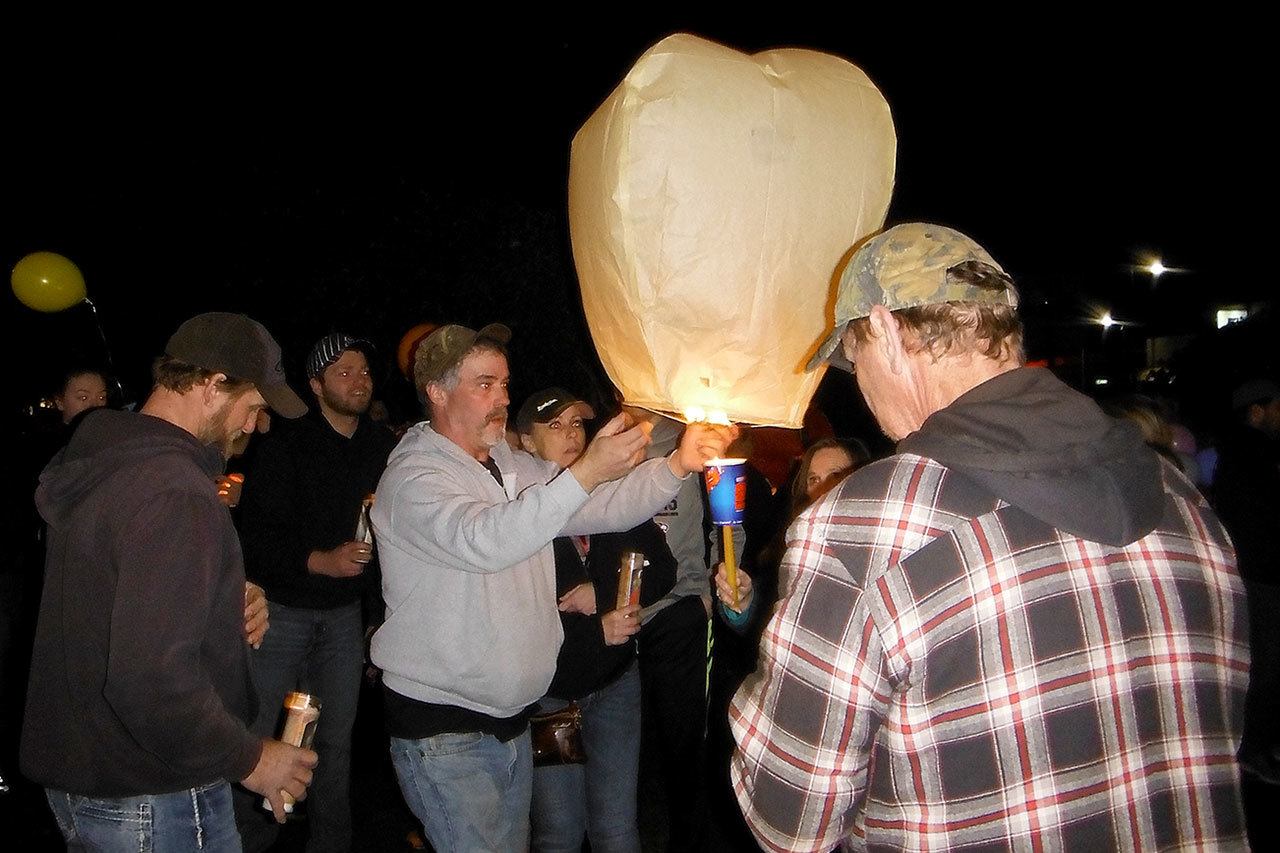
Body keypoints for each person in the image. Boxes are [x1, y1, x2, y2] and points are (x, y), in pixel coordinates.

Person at [731, 223, 1249, 850]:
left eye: (854, 358)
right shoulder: (1183, 498)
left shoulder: (865, 528)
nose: (859, 387)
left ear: (888, 332)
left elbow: (790, 820)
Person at [369, 324, 735, 852]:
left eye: (504, 384)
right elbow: (487, 539)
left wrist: (677, 462)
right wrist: (584, 473)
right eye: (485, 384)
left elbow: (603, 507)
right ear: (437, 391)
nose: (501, 398)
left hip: (511, 717)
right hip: (445, 732)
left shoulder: (509, 465)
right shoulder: (414, 476)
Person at [21, 312, 319, 850]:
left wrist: (219, 593)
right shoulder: (173, 490)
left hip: (91, 776)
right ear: (211, 385)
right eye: (252, 407)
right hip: (151, 793)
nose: (253, 426)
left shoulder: (112, 458)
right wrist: (251, 759)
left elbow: (109, 598)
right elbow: (149, 680)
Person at [233, 333, 398, 852]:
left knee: (333, 742)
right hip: (281, 613)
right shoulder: (285, 444)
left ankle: (331, 843)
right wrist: (319, 560)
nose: (359, 381)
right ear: (316, 384)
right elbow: (255, 538)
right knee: (263, 736)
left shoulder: (381, 447)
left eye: (364, 371)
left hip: (343, 618)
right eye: (344, 372)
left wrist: (377, 614)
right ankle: (248, 840)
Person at [517, 387, 676, 853]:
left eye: (577, 424)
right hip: (551, 693)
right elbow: (512, 610)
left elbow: (662, 569)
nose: (570, 435)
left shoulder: (611, 494)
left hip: (614, 683)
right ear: (526, 441)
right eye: (555, 426)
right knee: (559, 832)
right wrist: (593, 629)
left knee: (616, 828)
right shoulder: (518, 506)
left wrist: (603, 594)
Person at [1213, 379, 1280, 783]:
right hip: (1262, 573)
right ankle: (1254, 746)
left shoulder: (1246, 453)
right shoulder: (1249, 456)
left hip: (1260, 570)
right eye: (1276, 406)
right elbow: (1259, 518)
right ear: (1255, 411)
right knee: (1267, 662)